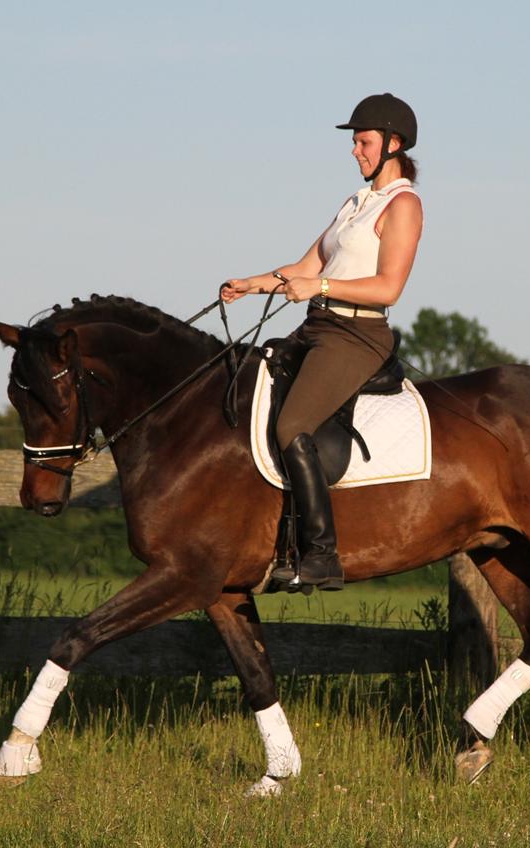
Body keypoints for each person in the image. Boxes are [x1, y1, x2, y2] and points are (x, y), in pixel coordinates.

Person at [221, 93, 424, 591]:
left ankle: (321, 553)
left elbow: (389, 287)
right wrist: (252, 283)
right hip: (317, 325)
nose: (355, 151)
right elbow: (306, 268)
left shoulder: (403, 205)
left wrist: (322, 287)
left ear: (393, 144)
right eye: (355, 142)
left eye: (363, 142)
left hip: (358, 334)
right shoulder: (355, 203)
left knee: (293, 424)